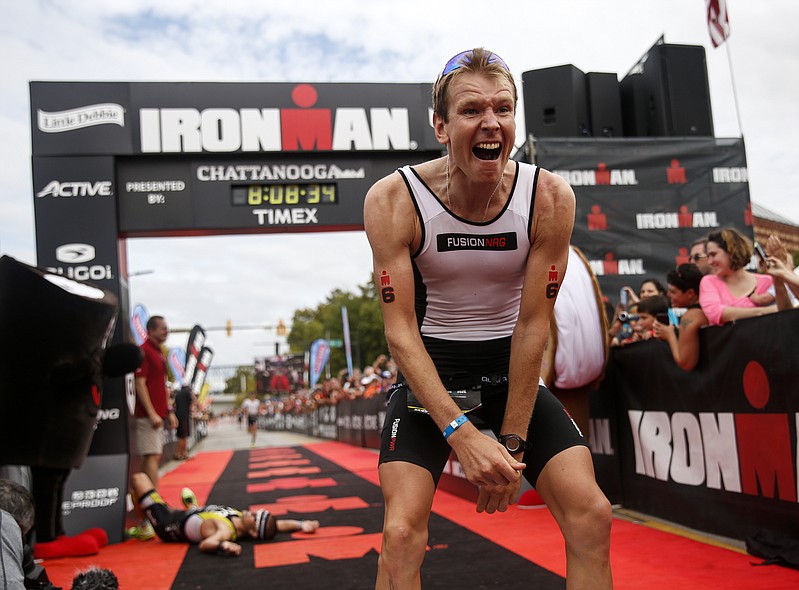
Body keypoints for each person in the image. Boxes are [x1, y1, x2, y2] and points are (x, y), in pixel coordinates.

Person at [363, 48, 612, 589]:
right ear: (441, 125)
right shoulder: (393, 200)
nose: (491, 122)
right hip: (431, 376)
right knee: (402, 535)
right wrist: (461, 433)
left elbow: (533, 327)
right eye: (472, 110)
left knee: (591, 514)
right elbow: (399, 332)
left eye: (503, 108)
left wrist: (513, 444)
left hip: (511, 370)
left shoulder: (547, 197)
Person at [130, 473, 319, 556]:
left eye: (254, 517)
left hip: (168, 523)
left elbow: (206, 544)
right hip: (189, 515)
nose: (251, 513)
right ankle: (194, 509)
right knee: (202, 511)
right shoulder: (240, 519)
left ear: (252, 533)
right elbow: (277, 526)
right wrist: (301, 524)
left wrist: (223, 546)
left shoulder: (225, 530)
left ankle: (145, 524)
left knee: (138, 479)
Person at [130, 315, 177, 541]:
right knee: (151, 456)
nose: (167, 332)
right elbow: (140, 384)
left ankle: (151, 503)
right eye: (163, 328)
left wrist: (168, 411)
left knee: (153, 456)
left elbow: (161, 386)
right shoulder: (145, 351)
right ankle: (152, 504)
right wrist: (151, 413)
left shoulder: (159, 352)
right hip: (147, 417)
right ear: (151, 329)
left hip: (157, 415)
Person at [699, 228, 777, 325]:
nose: (710, 262)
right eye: (708, 256)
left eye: (713, 255)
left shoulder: (768, 281)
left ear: (732, 251)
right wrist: (764, 312)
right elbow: (716, 313)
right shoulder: (709, 282)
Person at [653, 264, 709, 370]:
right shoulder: (707, 308)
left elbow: (685, 363)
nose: (668, 295)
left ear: (690, 293)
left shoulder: (690, 317)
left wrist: (669, 335)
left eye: (673, 292)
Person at [173, 384, 195, 461]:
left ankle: (183, 453)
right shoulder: (187, 393)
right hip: (184, 416)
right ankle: (179, 453)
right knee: (183, 437)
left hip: (178, 416)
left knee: (181, 436)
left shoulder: (178, 394)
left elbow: (174, 405)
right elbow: (193, 401)